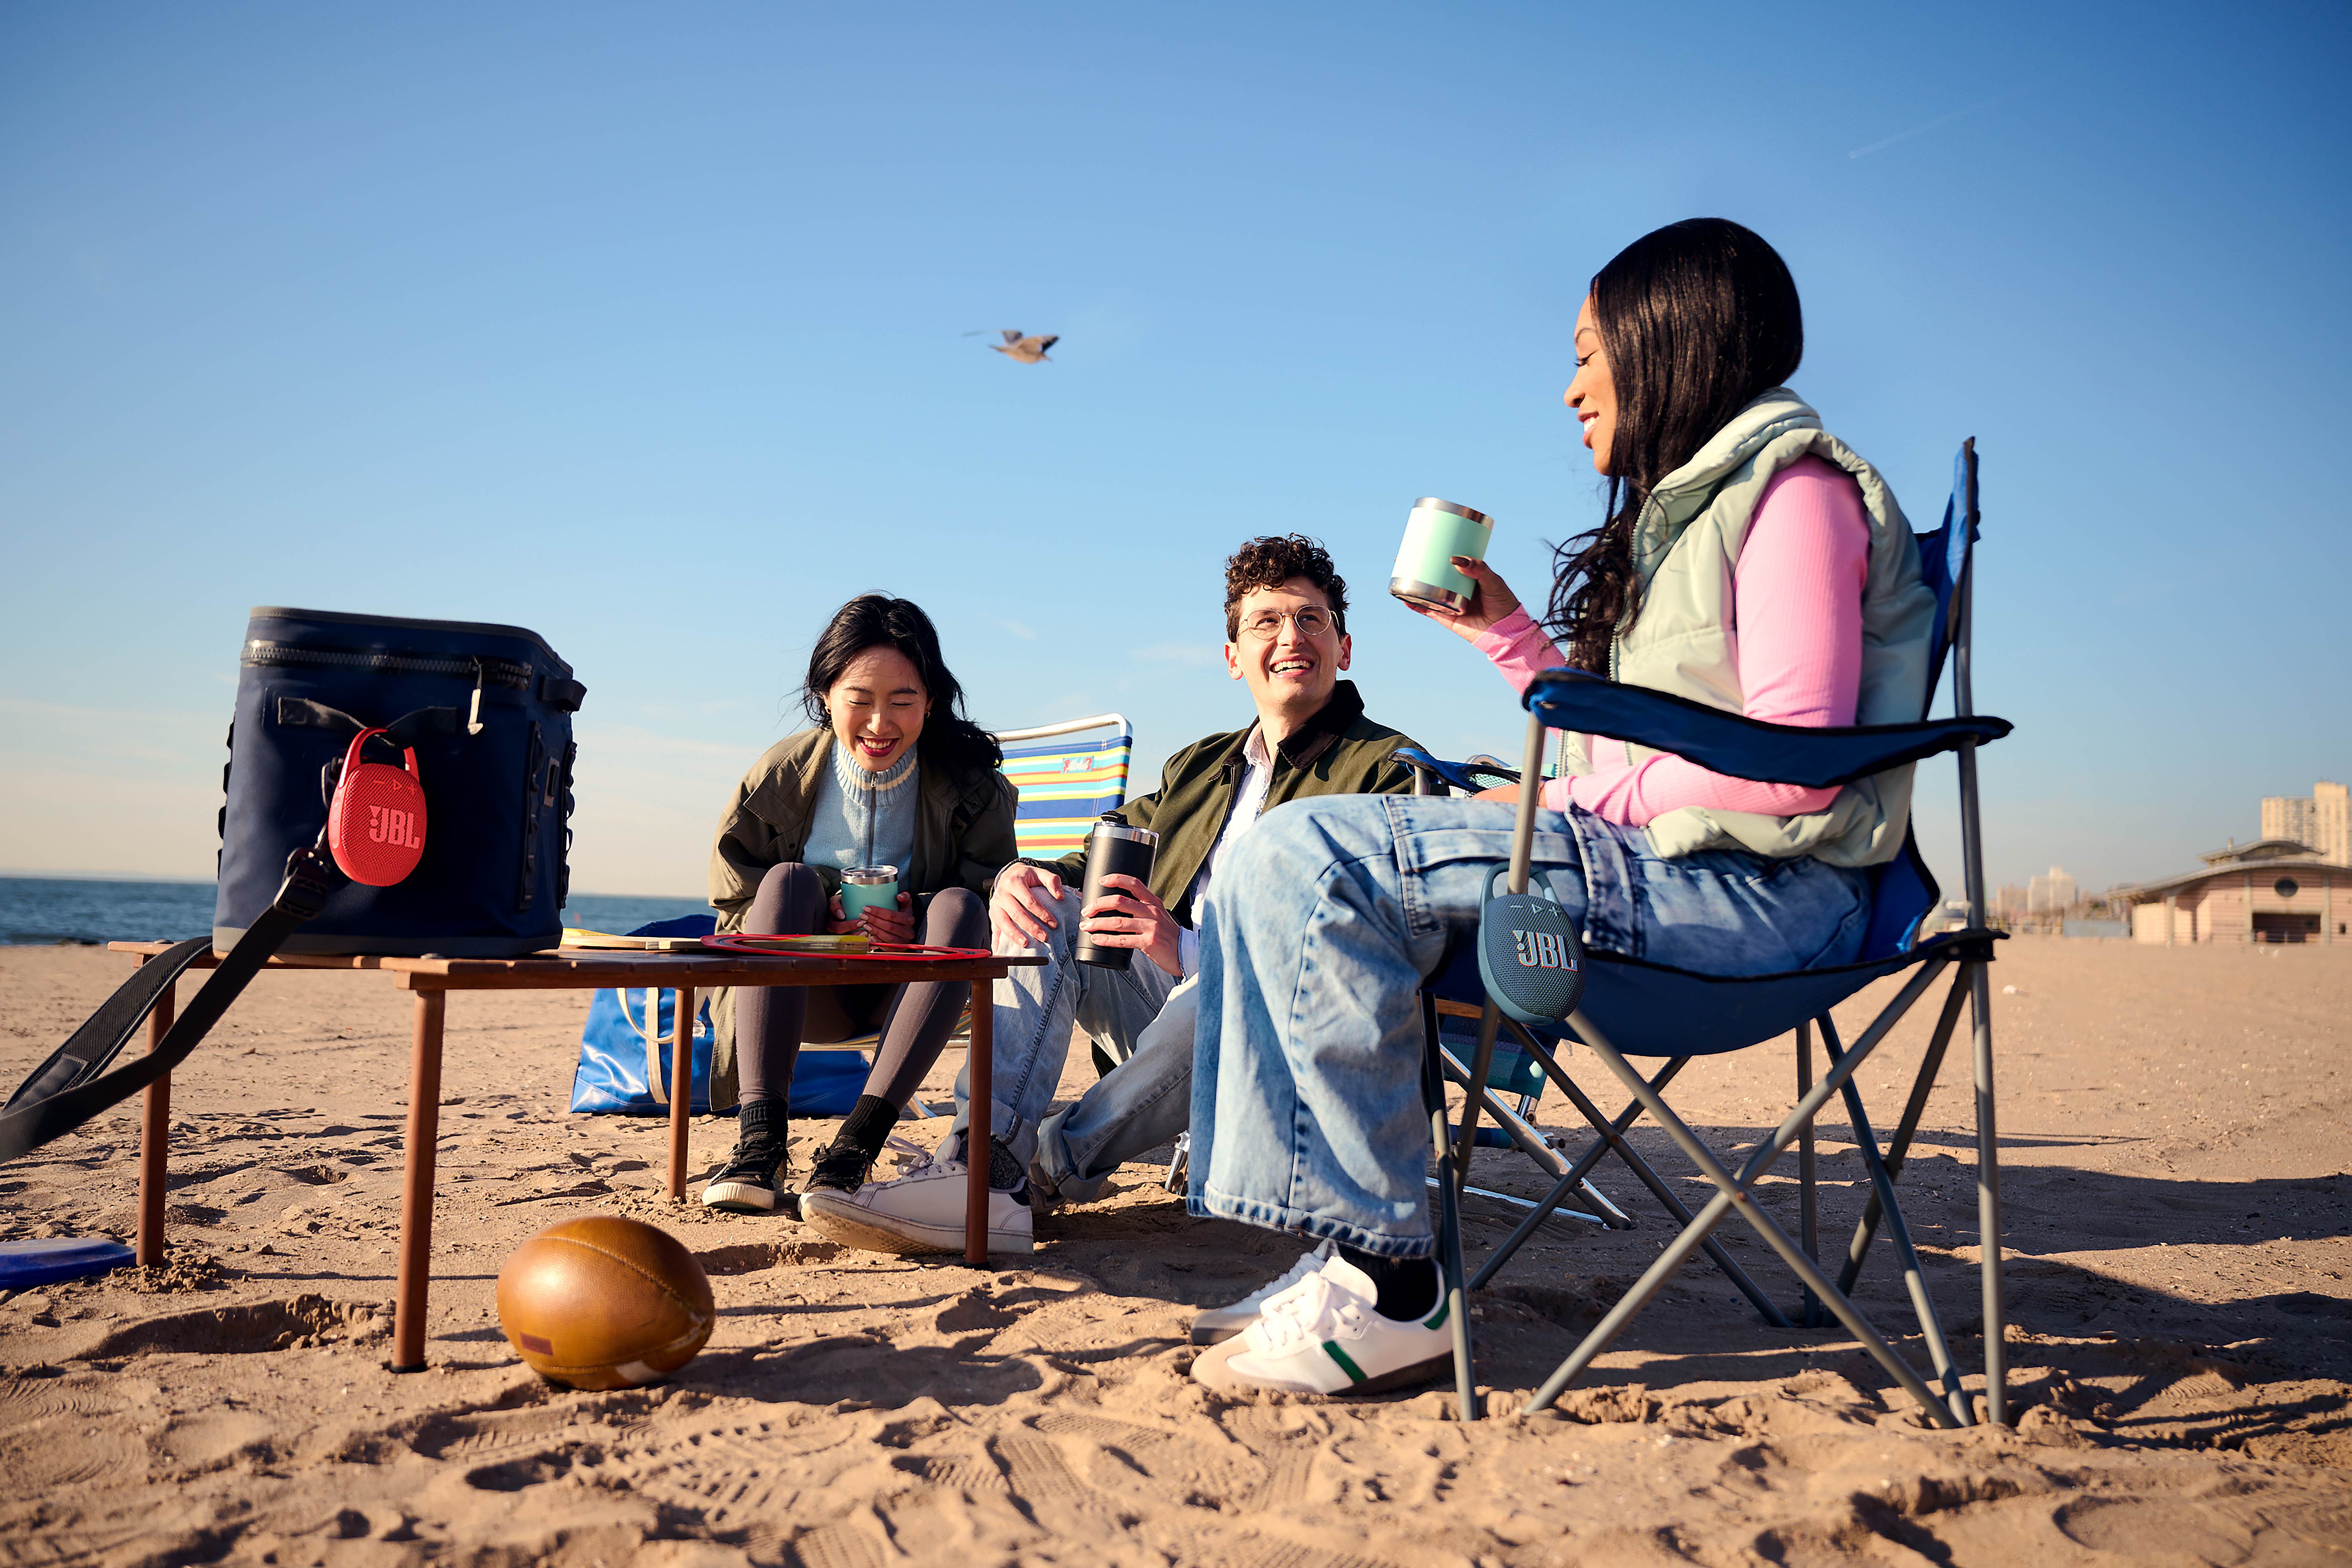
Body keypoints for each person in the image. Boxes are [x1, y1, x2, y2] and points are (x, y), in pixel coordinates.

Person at [1183, 218, 1939, 1396]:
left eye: (1590, 350)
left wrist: (1586, 798)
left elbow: (1790, 767)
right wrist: (1506, 636)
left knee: (1304, 855)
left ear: (1670, 342)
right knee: (1272, 860)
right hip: (1678, 871)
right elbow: (1632, 740)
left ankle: (1388, 1279)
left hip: (1760, 902)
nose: (1572, 384)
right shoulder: (1686, 517)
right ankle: (1344, 1246)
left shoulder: (1793, 497)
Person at [799, 535, 1422, 1255]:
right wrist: (1014, 876)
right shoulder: (1202, 767)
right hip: (1173, 1028)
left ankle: (1035, 1168)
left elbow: (1367, 947)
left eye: (1311, 619)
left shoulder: (1384, 771)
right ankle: (982, 1159)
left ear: (1344, 648)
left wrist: (1184, 948)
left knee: (1228, 982)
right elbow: (1091, 858)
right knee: (1044, 902)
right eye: (1266, 622)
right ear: (1231, 658)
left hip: (1289, 1044)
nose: (1291, 637)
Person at [700, 594, 1016, 1216]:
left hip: (918, 993)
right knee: (786, 883)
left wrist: (915, 919)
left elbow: (989, 892)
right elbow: (735, 899)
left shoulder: (972, 787)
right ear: (825, 696)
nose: (880, 724)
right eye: (860, 701)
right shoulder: (781, 777)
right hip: (802, 989)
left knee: (957, 906)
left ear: (931, 700)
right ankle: (760, 1144)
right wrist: (820, 924)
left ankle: (854, 1147)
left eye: (902, 701)